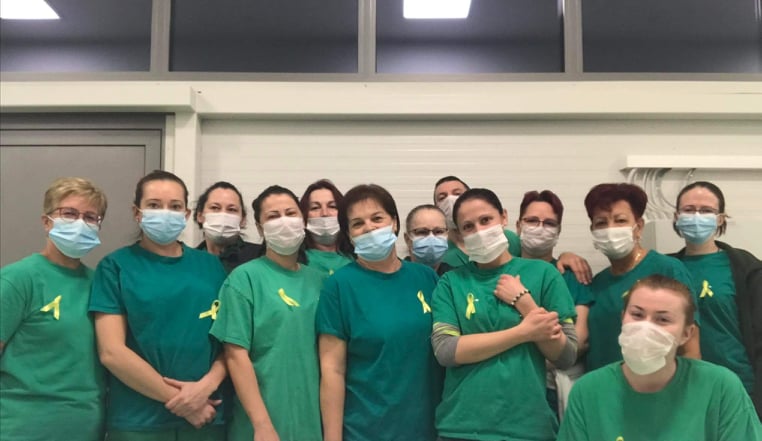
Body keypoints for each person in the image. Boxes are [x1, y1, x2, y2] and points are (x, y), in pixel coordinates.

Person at [89, 170, 228, 440]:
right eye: (154, 205)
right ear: (137, 212)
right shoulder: (116, 267)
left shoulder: (210, 266)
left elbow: (230, 342)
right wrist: (185, 403)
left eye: (175, 206)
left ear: (187, 214)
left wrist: (206, 387)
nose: (165, 213)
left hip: (207, 417)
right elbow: (111, 352)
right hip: (139, 422)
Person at [431, 188, 577, 441]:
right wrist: (523, 332)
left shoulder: (544, 274)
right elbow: (446, 351)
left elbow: (566, 356)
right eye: (468, 226)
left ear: (504, 218)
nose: (479, 231)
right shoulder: (450, 282)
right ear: (459, 234)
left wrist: (525, 304)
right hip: (462, 426)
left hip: (527, 426)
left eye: (486, 220)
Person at [558, 275, 761, 440]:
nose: (645, 327)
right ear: (622, 318)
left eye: (662, 319)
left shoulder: (720, 388)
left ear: (686, 334)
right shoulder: (588, 392)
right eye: (637, 315)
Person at [317, 184, 442, 441]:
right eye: (358, 224)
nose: (369, 228)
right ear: (349, 234)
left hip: (428, 426)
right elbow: (332, 371)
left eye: (377, 218)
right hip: (366, 429)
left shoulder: (426, 277)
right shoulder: (339, 286)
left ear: (394, 222)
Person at [210, 185, 324, 441]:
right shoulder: (244, 279)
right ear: (260, 229)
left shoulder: (319, 282)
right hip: (261, 426)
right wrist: (262, 425)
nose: (284, 221)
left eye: (291, 213)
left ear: (303, 220)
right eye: (273, 216)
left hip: (311, 421)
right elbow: (236, 355)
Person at [1, 177, 107, 441]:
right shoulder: (18, 280)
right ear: (46, 221)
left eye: (90, 217)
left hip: (85, 427)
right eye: (69, 213)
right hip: (23, 427)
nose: (80, 223)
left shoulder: (99, 284)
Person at [584, 182, 701, 372]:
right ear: (593, 230)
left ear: (638, 226)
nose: (610, 229)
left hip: (656, 384)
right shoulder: (597, 283)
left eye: (620, 220)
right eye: (601, 223)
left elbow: (690, 349)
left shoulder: (668, 269)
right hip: (604, 384)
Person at [669, 181, 762, 417]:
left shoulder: (747, 268)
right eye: (689, 210)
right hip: (682, 388)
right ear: (677, 217)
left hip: (740, 387)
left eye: (706, 210)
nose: (696, 216)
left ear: (720, 219)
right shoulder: (666, 268)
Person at [515, 190, 592, 419]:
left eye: (549, 223)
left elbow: (579, 339)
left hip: (550, 386)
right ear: (518, 225)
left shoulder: (570, 276)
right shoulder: (502, 273)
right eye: (532, 221)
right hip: (507, 386)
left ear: (558, 231)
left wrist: (526, 364)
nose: (540, 228)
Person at [433, 175, 592, 283]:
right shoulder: (439, 250)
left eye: (457, 193)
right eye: (442, 197)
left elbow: (537, 252)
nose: (451, 200)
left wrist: (566, 255)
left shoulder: (510, 240)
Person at [194, 181, 263, 273]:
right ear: (200, 216)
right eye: (215, 208)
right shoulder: (189, 261)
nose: (223, 214)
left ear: (243, 220)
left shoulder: (260, 256)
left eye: (231, 209)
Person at [299, 179, 353, 276]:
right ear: (304, 215)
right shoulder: (296, 260)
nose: (325, 213)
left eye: (332, 206)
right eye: (315, 208)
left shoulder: (358, 257)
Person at [403, 204, 452, 276]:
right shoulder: (395, 277)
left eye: (438, 231)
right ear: (407, 239)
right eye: (422, 232)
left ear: (447, 236)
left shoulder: (456, 277)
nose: (431, 238)